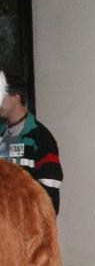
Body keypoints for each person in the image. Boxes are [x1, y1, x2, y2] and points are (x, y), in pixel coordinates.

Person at [0, 78, 63, 214]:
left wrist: (37, 218)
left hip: (26, 218)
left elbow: (50, 182)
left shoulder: (40, 136)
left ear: (16, 97)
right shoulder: (2, 133)